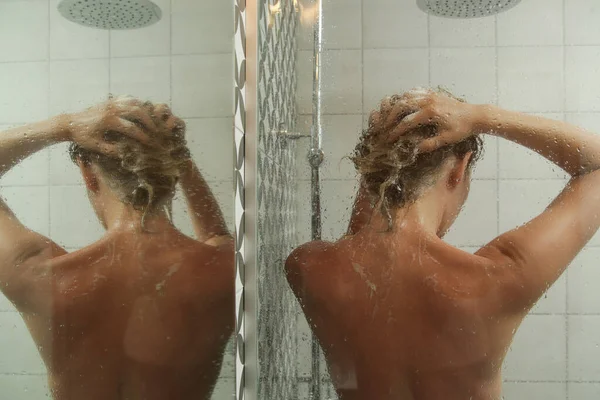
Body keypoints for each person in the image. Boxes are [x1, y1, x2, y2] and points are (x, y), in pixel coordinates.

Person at [285, 88, 600, 400]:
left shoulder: (310, 269)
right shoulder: (499, 277)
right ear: (460, 169)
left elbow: (362, 233)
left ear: (371, 171)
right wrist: (482, 117)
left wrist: (381, 158)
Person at [0, 97, 234, 400]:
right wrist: (180, 157)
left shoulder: (35, 272)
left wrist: (64, 126)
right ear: (172, 171)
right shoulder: (224, 271)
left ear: (86, 172)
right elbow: (216, 234)